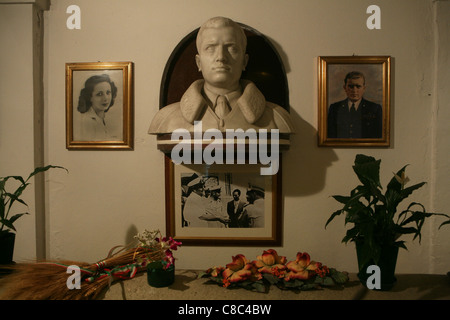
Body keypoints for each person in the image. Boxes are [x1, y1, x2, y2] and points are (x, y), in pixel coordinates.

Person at [148, 16, 294, 134]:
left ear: (244, 61)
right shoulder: (166, 119)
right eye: (210, 48)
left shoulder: (277, 119)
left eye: (231, 48)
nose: (221, 57)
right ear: (199, 62)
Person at [327, 71, 382, 139]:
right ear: (345, 88)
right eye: (351, 86)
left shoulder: (374, 109)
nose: (354, 90)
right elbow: (330, 136)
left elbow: (378, 137)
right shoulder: (334, 108)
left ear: (364, 88)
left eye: (358, 86)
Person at [75, 74, 119, 141]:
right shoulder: (87, 121)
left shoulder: (105, 118)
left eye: (108, 92)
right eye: (99, 94)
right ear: (90, 97)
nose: (106, 98)